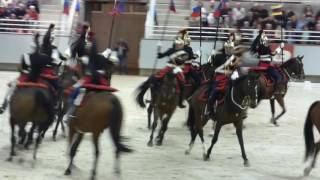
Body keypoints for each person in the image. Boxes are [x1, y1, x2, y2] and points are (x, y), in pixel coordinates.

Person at [63, 31, 117, 122]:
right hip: (100, 80)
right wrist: (108, 53)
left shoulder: (86, 59)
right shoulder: (101, 57)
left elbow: (81, 71)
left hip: (88, 80)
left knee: (75, 93)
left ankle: (71, 113)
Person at [0, 33, 52, 114]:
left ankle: (4, 105)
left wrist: (23, 70)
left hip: (25, 76)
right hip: (36, 77)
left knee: (12, 87)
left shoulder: (25, 56)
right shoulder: (40, 56)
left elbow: (20, 68)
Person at [205, 45, 243, 118]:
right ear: (225, 48)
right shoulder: (219, 56)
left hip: (231, 77)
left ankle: (241, 109)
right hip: (220, 77)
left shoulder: (234, 58)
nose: (228, 50)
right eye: (227, 48)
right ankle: (209, 110)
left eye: (230, 48)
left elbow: (237, 68)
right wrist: (212, 57)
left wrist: (234, 73)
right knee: (213, 93)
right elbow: (212, 65)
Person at [150, 37, 188, 108]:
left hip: (177, 68)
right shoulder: (170, 50)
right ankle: (154, 94)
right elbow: (160, 56)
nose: (178, 45)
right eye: (177, 44)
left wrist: (178, 60)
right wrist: (159, 49)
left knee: (182, 82)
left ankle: (180, 101)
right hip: (169, 67)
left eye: (179, 44)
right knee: (157, 77)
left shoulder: (184, 53)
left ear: (181, 45)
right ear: (175, 44)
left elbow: (182, 61)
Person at [251, 29, 284, 94]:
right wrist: (280, 47)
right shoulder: (265, 46)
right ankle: (277, 91)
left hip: (258, 65)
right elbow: (273, 54)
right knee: (279, 76)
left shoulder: (256, 45)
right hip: (266, 66)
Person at [40, 23, 67, 91]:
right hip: (49, 71)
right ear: (51, 39)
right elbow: (61, 58)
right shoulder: (53, 48)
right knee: (59, 87)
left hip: (40, 70)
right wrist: (66, 57)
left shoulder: (40, 47)